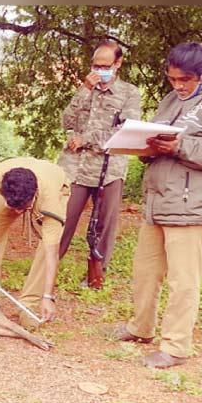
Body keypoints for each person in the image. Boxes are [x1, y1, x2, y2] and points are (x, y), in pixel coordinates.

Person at [112, 42, 202, 369]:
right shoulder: (171, 99)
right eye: (172, 78)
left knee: (182, 280)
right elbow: (159, 140)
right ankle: (140, 327)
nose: (179, 85)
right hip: (157, 201)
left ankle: (175, 346)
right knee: (145, 272)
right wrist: (144, 147)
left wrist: (181, 146)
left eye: (185, 79)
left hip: (191, 205)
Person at [57, 40, 142, 284]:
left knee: (104, 226)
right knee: (62, 219)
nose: (99, 69)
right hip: (76, 168)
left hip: (109, 169)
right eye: (95, 64)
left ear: (118, 63)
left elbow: (126, 131)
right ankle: (49, 266)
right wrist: (84, 89)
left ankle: (96, 274)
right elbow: (66, 121)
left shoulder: (129, 93)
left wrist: (87, 139)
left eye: (105, 65)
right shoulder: (86, 88)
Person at [0, 158, 71, 327]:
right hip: (18, 188)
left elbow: (52, 254)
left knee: (46, 249)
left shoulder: (50, 202)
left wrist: (48, 296)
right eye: (13, 206)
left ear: (34, 195)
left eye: (22, 207)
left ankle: (28, 305)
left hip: (54, 187)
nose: (17, 212)